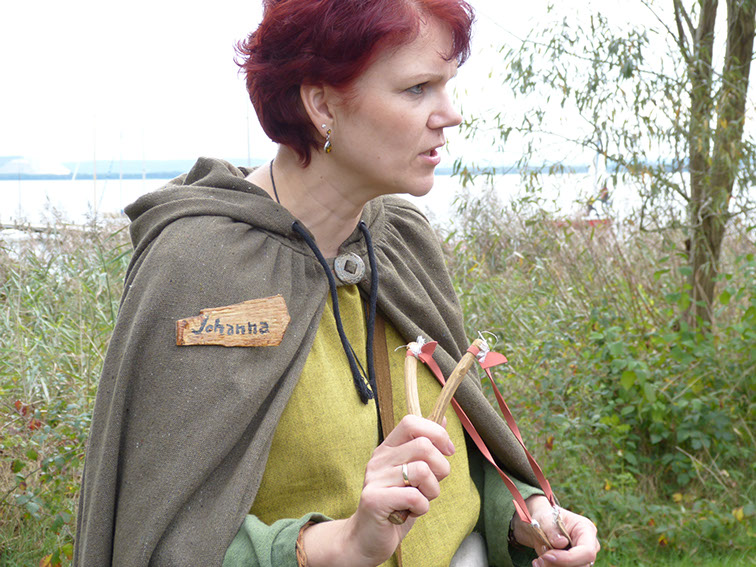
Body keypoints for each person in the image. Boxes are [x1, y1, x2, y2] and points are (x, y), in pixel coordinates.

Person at [74, 1, 601, 566]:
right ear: (323, 105)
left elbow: (463, 456)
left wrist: (526, 515)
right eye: (417, 88)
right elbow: (161, 539)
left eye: (447, 85)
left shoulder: (400, 241)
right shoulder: (199, 263)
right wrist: (338, 546)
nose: (450, 114)